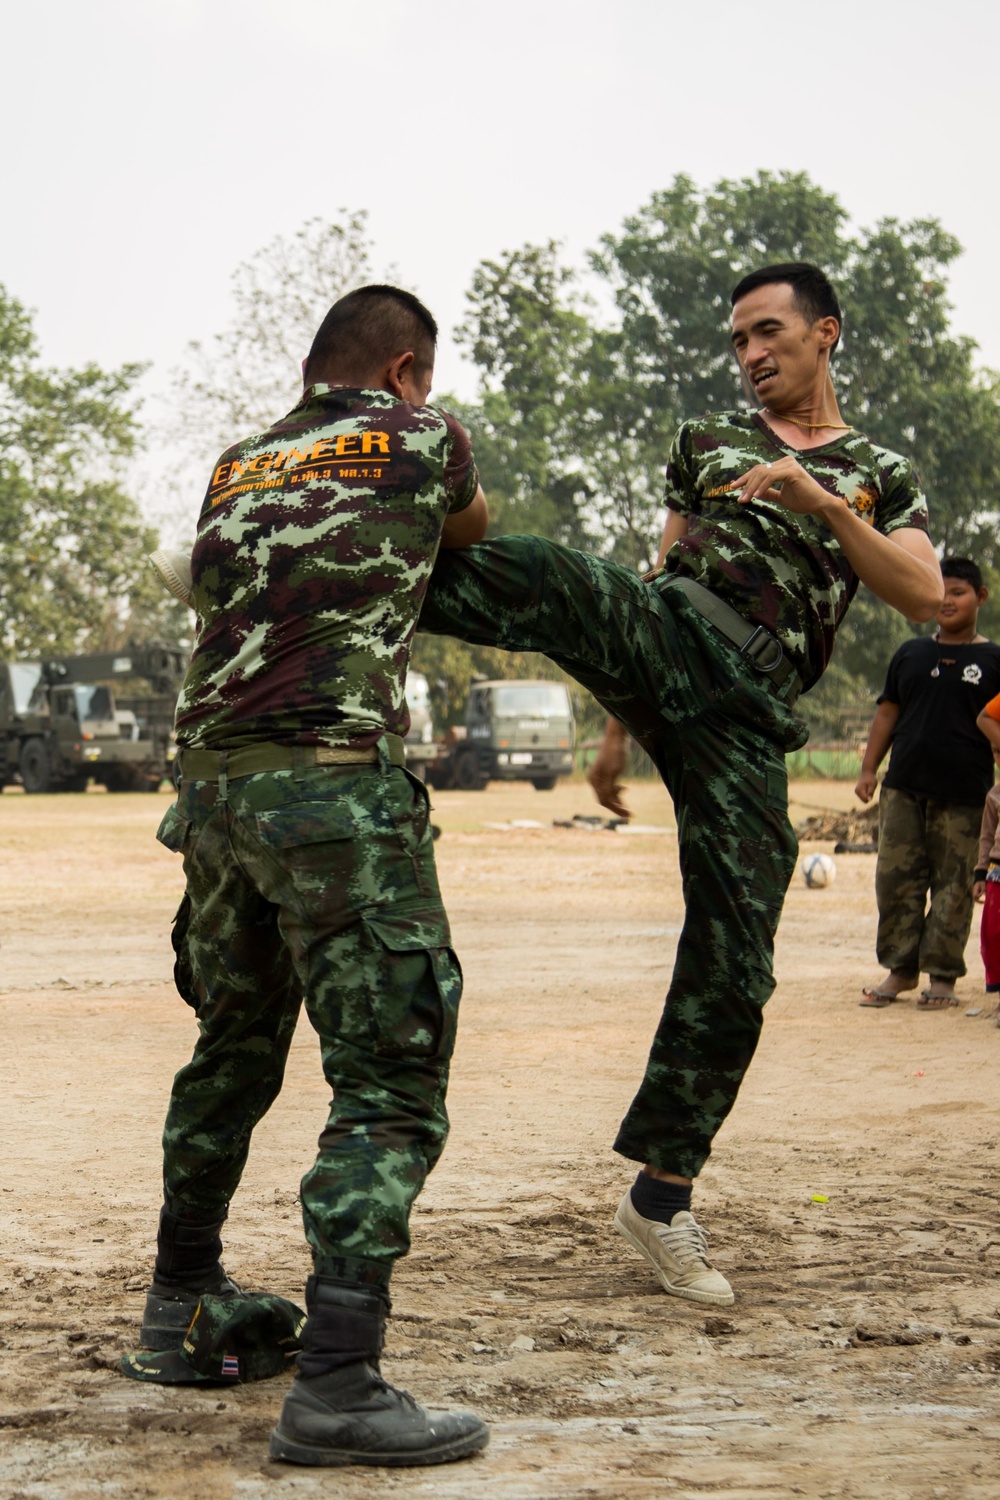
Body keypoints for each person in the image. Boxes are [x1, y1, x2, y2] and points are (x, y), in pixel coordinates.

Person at [419, 263, 942, 1305]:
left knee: (737, 962)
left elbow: (922, 589)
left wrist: (822, 501)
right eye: (737, 341)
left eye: (767, 333)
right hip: (665, 638)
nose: (749, 356)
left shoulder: (878, 472)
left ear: (824, 334)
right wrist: (618, 729)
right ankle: (288, 563)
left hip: (749, 713)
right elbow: (661, 570)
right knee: (549, 577)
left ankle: (660, 1200)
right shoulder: (706, 444)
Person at [133, 285, 491, 1470]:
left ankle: (177, 1308)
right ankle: (339, 1379)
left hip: (215, 793)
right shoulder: (422, 436)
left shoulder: (239, 460)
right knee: (391, 1079)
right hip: (330, 786)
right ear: (403, 371)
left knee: (233, 1043)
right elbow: (470, 537)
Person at [855, 559, 1000, 1009]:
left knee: (955, 885)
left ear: (980, 598)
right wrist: (868, 769)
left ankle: (942, 978)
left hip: (965, 793)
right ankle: (899, 970)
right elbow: (887, 713)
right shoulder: (910, 654)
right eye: (941, 592)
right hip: (903, 786)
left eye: (958, 592)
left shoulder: (995, 660)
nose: (947, 601)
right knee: (896, 880)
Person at [974, 694, 1000, 1018]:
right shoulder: (994, 795)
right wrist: (980, 872)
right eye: (996, 751)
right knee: (993, 934)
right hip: (997, 873)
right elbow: (985, 836)